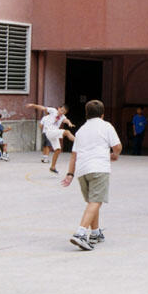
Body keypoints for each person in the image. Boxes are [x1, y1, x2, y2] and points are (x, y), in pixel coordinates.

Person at [61, 99, 122, 251]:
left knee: (92, 202)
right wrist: (114, 155)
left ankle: (95, 233)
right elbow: (117, 146)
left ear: (86, 114)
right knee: (96, 201)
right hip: (99, 168)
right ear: (102, 114)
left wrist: (70, 174)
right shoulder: (106, 126)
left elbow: (74, 155)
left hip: (82, 170)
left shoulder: (81, 130)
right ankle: (80, 233)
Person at [26, 103, 75, 173]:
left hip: (54, 134)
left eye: (64, 112)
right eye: (61, 110)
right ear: (58, 108)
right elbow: (42, 108)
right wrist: (33, 105)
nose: (61, 113)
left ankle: (52, 167)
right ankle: (78, 141)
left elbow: (66, 120)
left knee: (58, 150)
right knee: (67, 132)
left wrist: (69, 123)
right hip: (49, 131)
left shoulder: (62, 117)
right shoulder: (53, 111)